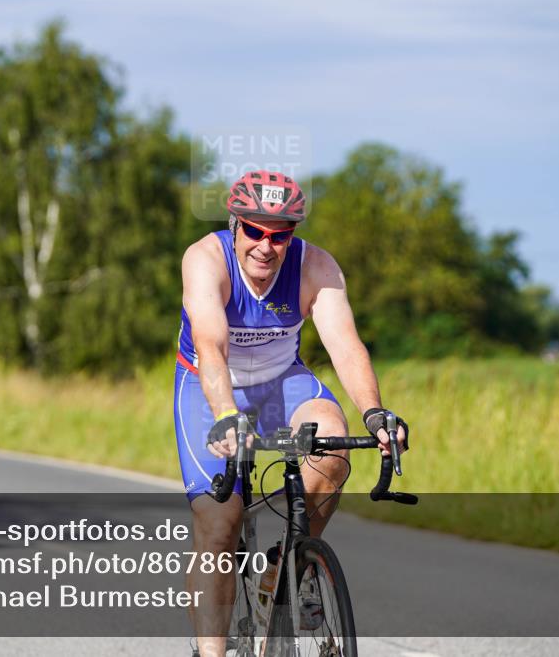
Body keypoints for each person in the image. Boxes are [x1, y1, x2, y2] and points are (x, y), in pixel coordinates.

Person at [174, 170, 409, 656]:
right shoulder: (205, 260)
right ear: (235, 224)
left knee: (332, 448)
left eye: (280, 234)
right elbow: (212, 348)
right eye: (255, 231)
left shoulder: (317, 267)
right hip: (211, 385)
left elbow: (344, 346)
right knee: (220, 521)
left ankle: (286, 567)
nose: (266, 245)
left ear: (292, 235)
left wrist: (375, 414)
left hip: (284, 378)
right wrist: (225, 417)